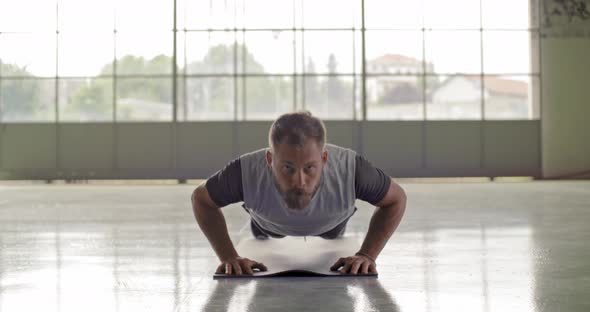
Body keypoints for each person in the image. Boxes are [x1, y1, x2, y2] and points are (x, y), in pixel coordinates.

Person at [191, 111, 406, 276]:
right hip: (268, 222)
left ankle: (331, 227)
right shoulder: (245, 171)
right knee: (265, 228)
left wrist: (367, 255)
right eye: (288, 168)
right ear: (269, 160)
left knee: (332, 232)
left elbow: (396, 199)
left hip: (332, 222)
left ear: (324, 159)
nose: (299, 181)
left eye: (309, 168)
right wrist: (228, 257)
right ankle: (259, 226)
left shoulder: (352, 169)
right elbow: (201, 199)